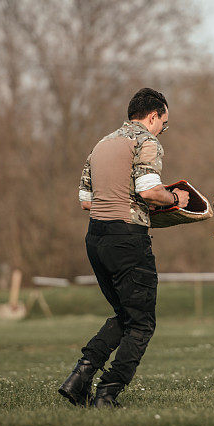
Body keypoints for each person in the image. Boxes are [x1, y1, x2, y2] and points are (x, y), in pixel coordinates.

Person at [58, 88, 189, 408]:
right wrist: (175, 199)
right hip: (128, 240)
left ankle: (78, 381)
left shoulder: (102, 144)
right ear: (153, 116)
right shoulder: (147, 142)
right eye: (164, 123)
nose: (162, 130)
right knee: (143, 322)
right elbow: (148, 190)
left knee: (125, 314)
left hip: (96, 239)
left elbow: (86, 201)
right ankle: (107, 393)